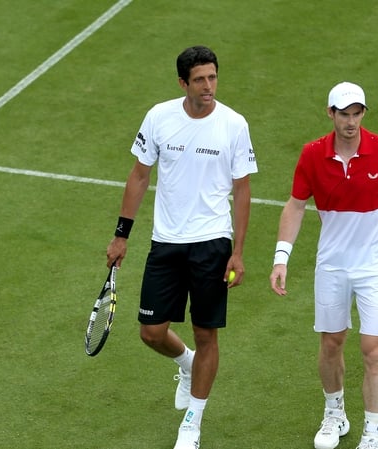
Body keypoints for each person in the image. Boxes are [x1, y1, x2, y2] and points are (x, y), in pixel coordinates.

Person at [106, 45, 258, 449]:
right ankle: (186, 364)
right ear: (182, 83)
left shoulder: (233, 125)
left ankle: (192, 421)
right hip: (166, 242)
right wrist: (122, 234)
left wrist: (238, 251)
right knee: (151, 332)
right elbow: (139, 176)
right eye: (200, 80)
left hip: (212, 243)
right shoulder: (159, 118)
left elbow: (242, 192)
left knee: (206, 333)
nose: (208, 86)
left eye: (213, 78)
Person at [269, 82, 378, 449]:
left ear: (363, 113)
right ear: (330, 114)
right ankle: (335, 413)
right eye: (344, 114)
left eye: (357, 113)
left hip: (376, 266)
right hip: (332, 266)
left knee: (373, 349)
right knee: (332, 342)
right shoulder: (311, 155)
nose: (351, 122)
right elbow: (295, 206)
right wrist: (281, 258)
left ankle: (372, 434)